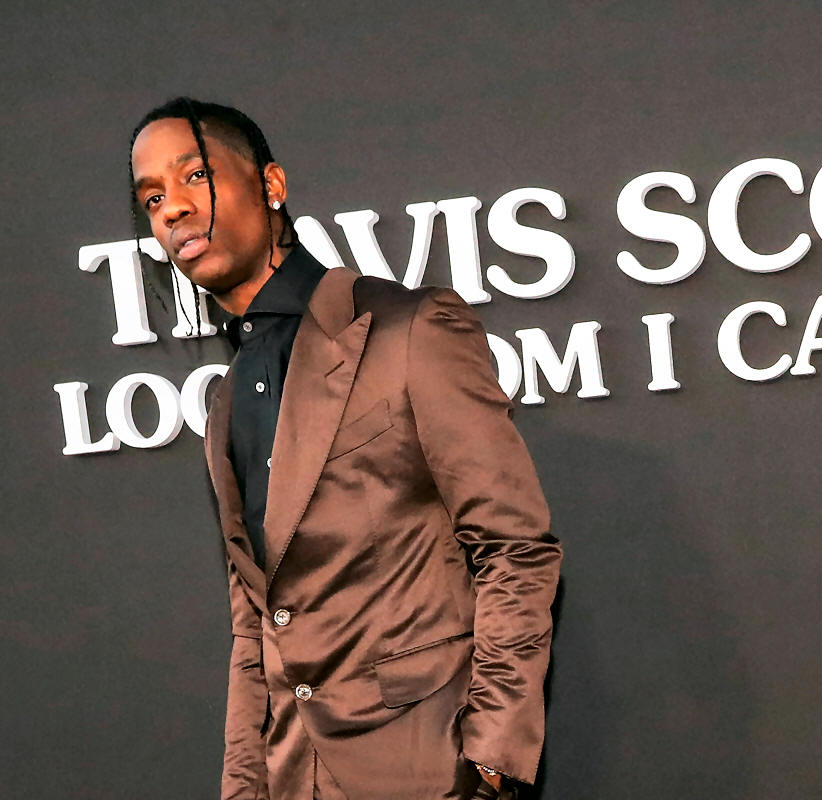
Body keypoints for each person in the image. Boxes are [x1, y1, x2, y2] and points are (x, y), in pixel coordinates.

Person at [128, 97, 561, 800]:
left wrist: (491, 757)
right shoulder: (226, 402)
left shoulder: (408, 328)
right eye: (152, 198)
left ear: (271, 185)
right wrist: (243, 787)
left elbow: (514, 547)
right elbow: (256, 625)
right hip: (291, 776)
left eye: (195, 176)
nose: (173, 208)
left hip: (428, 768)